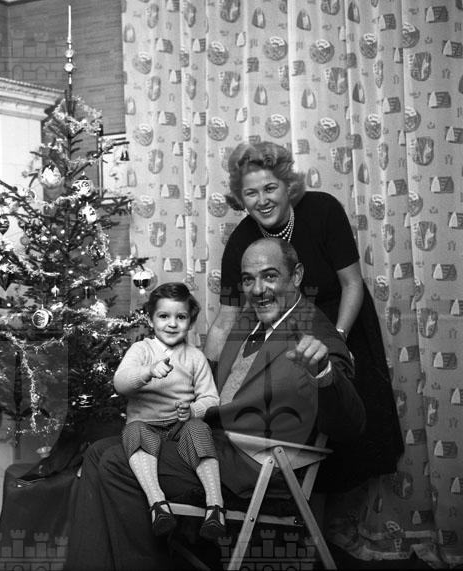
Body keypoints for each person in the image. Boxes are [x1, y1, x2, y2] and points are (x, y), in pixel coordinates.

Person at [65, 239, 366, 571]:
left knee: (115, 463)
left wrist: (323, 372)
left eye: (270, 276)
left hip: (254, 464)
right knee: (97, 451)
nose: (258, 289)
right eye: (248, 279)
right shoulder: (251, 319)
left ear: (296, 276)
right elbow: (222, 386)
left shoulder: (317, 333)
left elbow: (351, 424)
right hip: (213, 439)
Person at [203, 141, 403, 489]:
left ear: (288, 186)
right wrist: (202, 381)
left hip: (340, 322)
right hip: (286, 336)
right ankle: (302, 509)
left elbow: (352, 283)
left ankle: (340, 517)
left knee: (349, 428)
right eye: (251, 193)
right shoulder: (241, 241)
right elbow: (225, 319)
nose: (262, 200)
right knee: (301, 433)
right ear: (241, 198)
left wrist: (338, 339)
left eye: (270, 188)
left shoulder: (323, 210)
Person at [114, 282, 224, 541]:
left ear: (190, 322)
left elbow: (211, 398)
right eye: (164, 316)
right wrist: (147, 371)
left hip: (179, 426)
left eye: (181, 317)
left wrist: (193, 410)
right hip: (147, 426)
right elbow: (120, 383)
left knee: (199, 429)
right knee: (134, 431)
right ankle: (158, 504)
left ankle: (215, 506)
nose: (172, 324)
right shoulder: (141, 350)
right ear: (151, 320)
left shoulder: (195, 356)